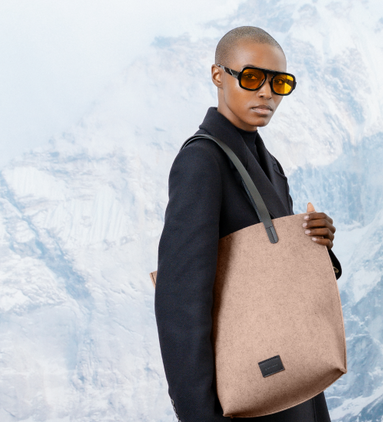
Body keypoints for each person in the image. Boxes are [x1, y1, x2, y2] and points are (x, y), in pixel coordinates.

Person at [154, 26, 342, 422]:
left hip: (291, 378)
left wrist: (317, 245)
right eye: (252, 78)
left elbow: (275, 277)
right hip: (246, 393)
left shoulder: (270, 164)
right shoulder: (202, 161)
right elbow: (180, 300)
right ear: (218, 75)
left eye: (280, 83)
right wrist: (199, 414)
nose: (267, 93)